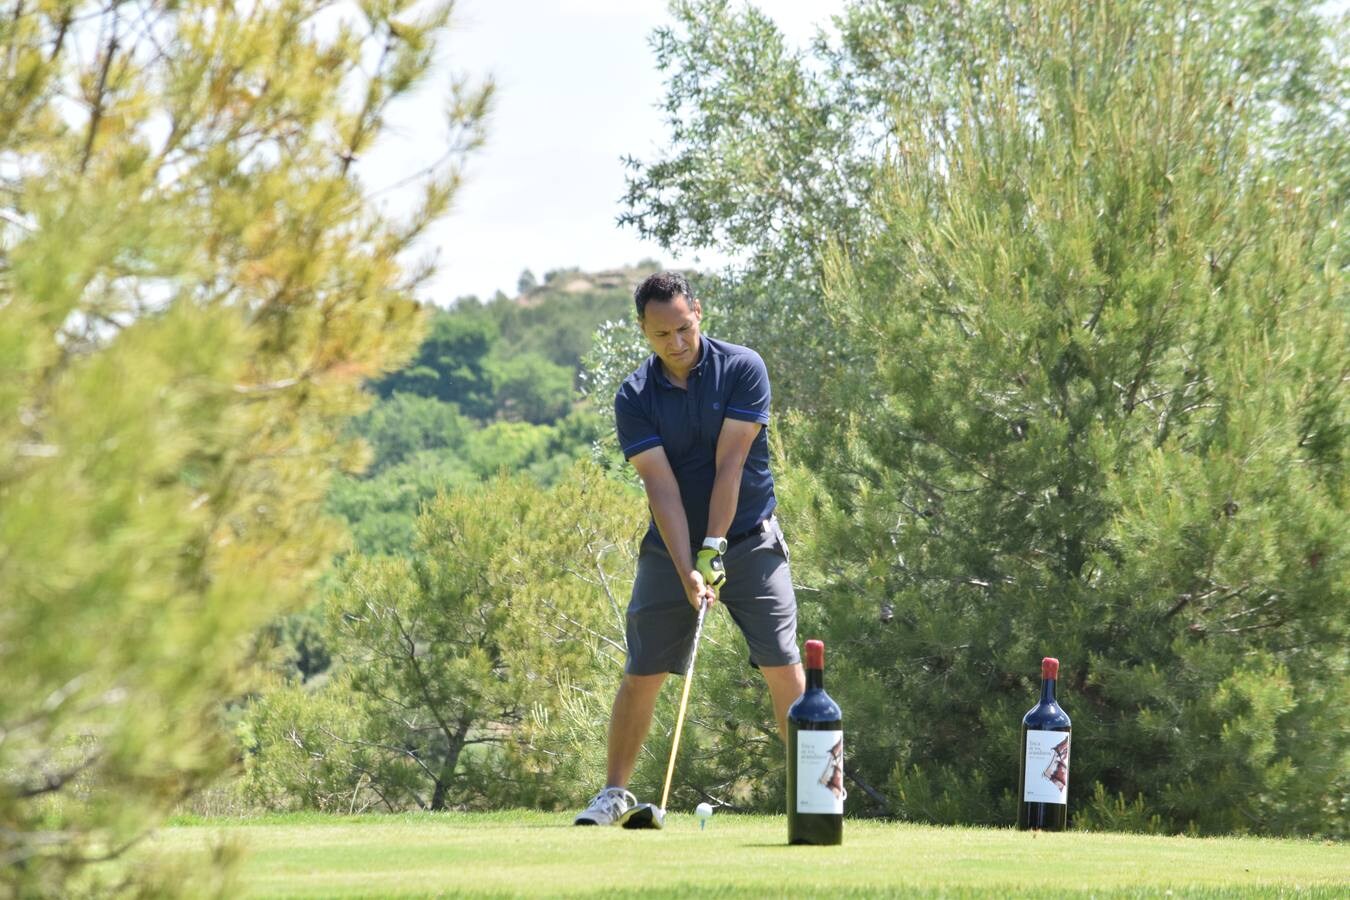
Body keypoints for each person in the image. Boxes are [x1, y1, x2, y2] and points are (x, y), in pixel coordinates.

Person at [574, 271, 805, 826]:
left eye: (683, 327)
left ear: (697, 312)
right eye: (661, 335)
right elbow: (662, 489)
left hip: (749, 536)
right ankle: (613, 794)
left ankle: (816, 790)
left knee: (783, 662)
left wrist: (714, 549)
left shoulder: (743, 368)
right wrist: (687, 568)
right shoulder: (634, 396)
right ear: (643, 331)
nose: (676, 343)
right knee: (644, 668)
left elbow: (732, 465)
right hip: (669, 545)